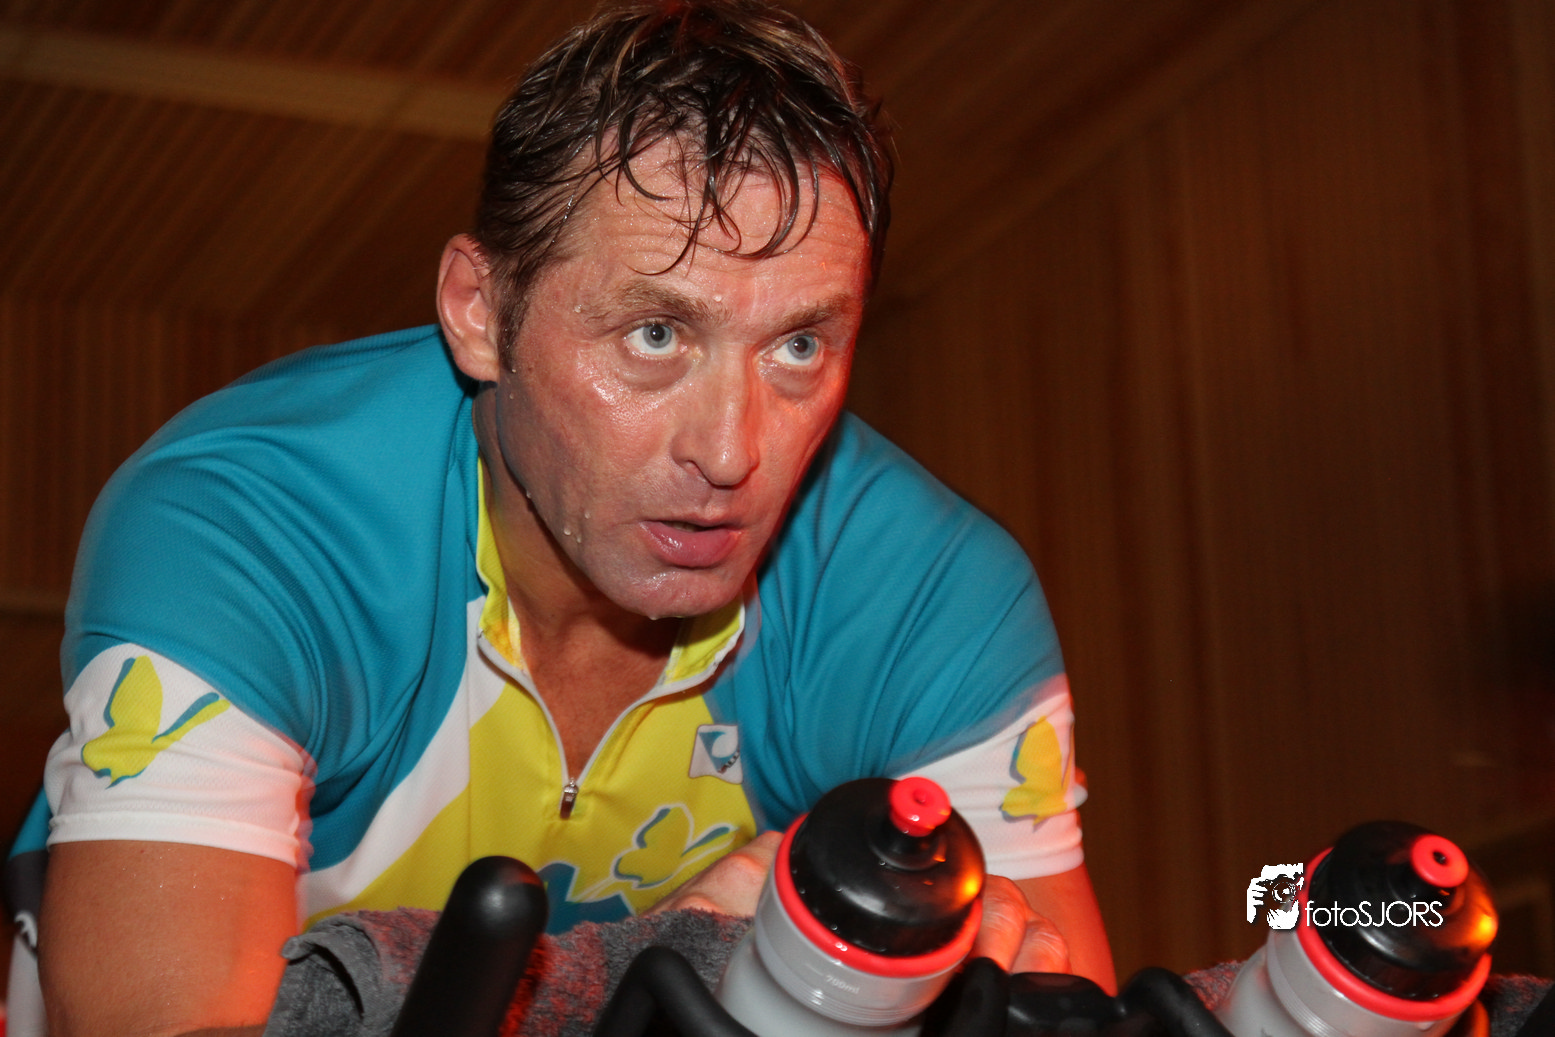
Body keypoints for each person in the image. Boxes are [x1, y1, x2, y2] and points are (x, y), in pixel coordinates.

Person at [9, 0, 1114, 1032]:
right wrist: (666, 969)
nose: (731, 450)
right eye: (654, 335)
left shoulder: (932, 596)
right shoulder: (248, 524)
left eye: (797, 346)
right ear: (479, 309)